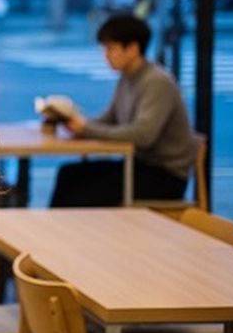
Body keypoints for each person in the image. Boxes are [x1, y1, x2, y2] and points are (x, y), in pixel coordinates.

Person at [50, 14, 195, 207]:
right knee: (68, 174)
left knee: (81, 193)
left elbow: (143, 135)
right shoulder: (127, 77)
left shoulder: (157, 82)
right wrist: (75, 122)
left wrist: (86, 128)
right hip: (140, 166)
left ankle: (62, 236)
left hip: (164, 175)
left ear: (133, 49)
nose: (106, 55)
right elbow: (109, 118)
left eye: (111, 48)